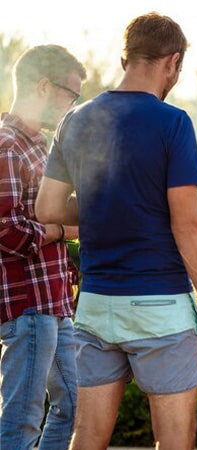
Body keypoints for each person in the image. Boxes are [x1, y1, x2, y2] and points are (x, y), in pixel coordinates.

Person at [35, 12, 197, 449]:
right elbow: (189, 225)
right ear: (172, 62)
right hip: (160, 306)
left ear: (126, 58)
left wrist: (105, 206)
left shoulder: (75, 121)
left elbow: (48, 209)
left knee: (87, 435)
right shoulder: (172, 123)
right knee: (174, 441)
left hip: (97, 305)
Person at [0, 45, 85, 450]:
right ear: (44, 86)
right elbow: (6, 230)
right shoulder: (7, 146)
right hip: (28, 308)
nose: (73, 106)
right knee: (22, 422)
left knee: (76, 406)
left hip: (55, 304)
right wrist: (60, 230)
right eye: (71, 95)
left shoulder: (40, 146)